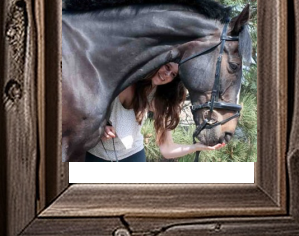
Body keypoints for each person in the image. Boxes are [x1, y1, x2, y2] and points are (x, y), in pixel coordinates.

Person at [85, 62, 226, 162]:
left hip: (132, 157)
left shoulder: (161, 98)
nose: (167, 75)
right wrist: (97, 130)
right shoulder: (123, 77)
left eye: (173, 74)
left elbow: (167, 149)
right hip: (95, 156)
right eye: (167, 67)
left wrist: (197, 147)